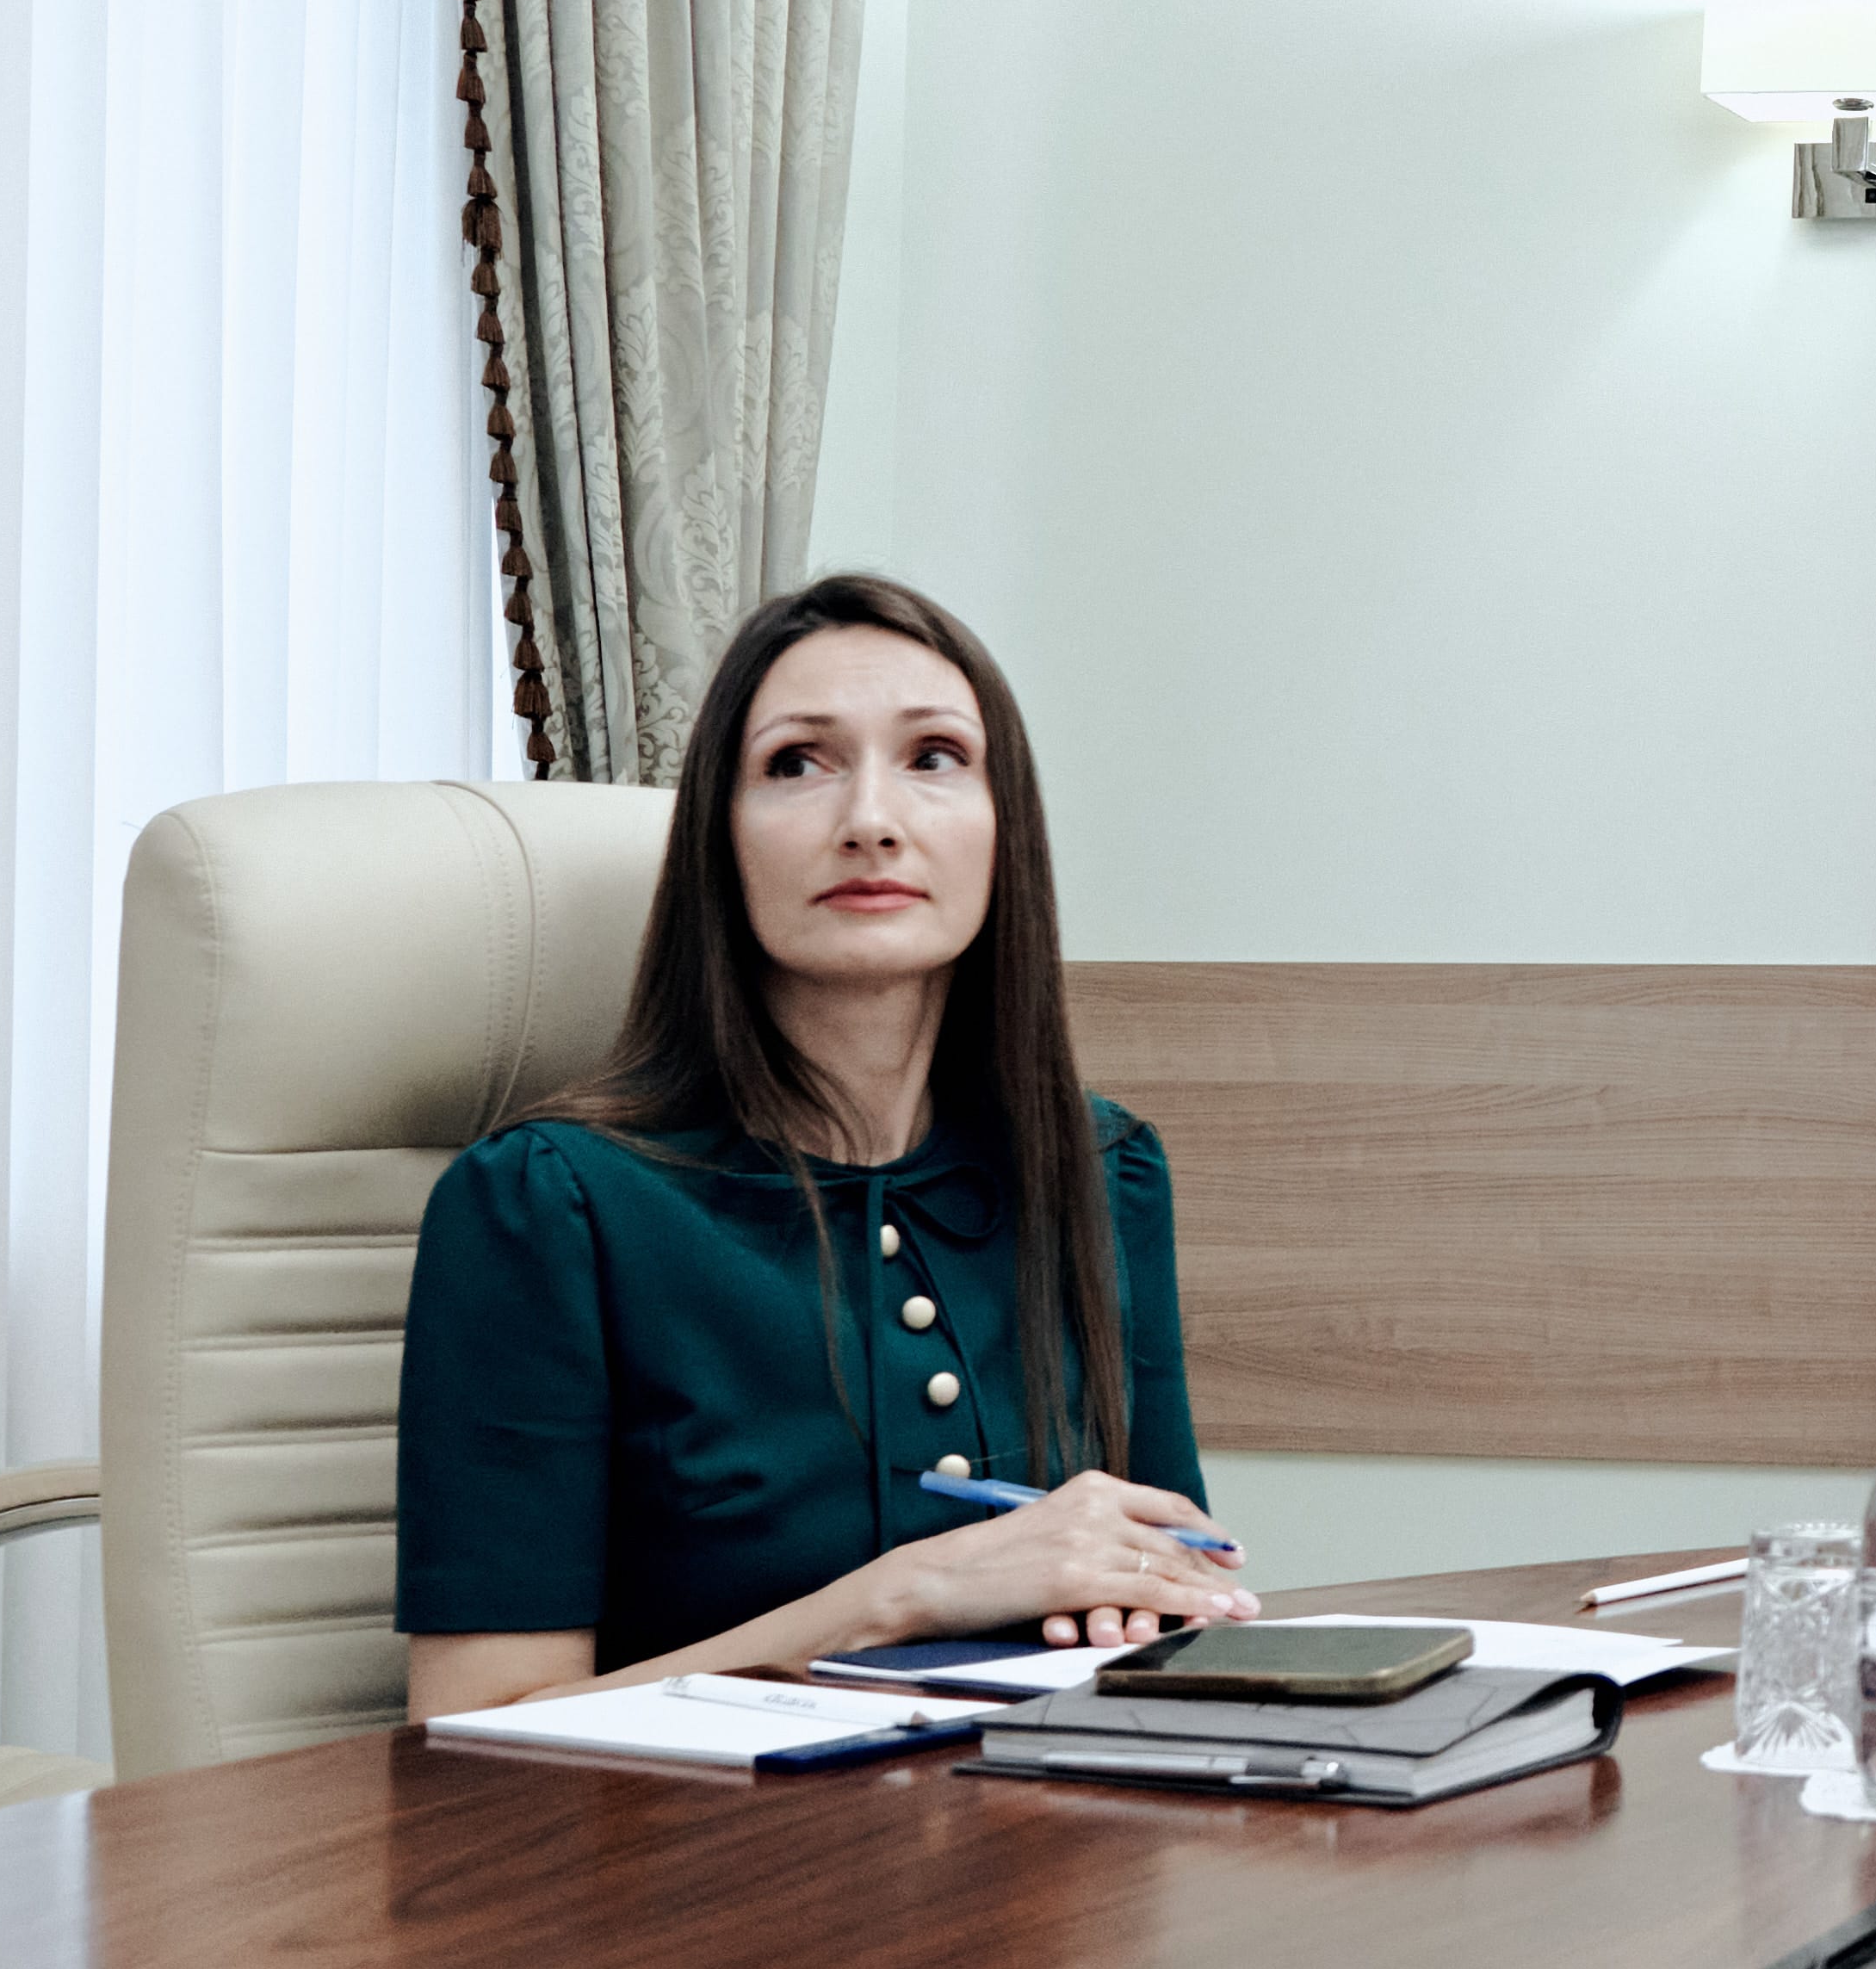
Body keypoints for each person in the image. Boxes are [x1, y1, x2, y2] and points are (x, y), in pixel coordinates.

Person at [395, 574, 1256, 1712]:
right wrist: (904, 1597)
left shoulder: (1102, 1171)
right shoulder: (545, 1203)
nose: (871, 820)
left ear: (1006, 830)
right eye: (798, 762)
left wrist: (1140, 1595)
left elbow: (1177, 1579)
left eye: (935, 756)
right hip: (686, 1828)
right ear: (719, 840)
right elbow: (473, 1727)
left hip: (1057, 1808)